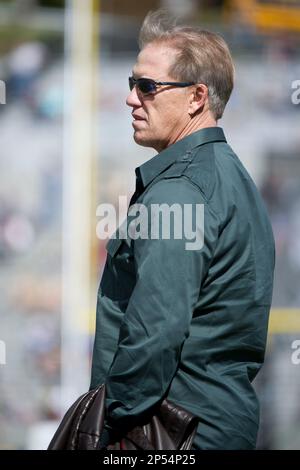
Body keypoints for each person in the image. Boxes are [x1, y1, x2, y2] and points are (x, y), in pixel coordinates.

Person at [90, 10, 275, 450]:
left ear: (196, 97)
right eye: (131, 84)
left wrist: (108, 423)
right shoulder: (228, 177)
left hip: (171, 435)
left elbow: (156, 330)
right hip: (207, 427)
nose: (132, 99)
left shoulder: (180, 190)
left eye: (148, 87)